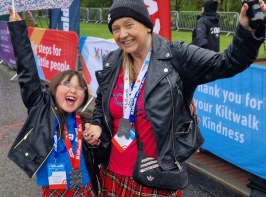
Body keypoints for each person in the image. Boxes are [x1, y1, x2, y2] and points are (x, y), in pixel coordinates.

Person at [83, 0, 266, 196]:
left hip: (157, 177)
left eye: (129, 25)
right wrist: (96, 125)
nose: (122, 34)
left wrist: (246, 32)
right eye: (116, 28)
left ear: (146, 25)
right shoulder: (113, 61)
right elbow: (103, 104)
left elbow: (227, 63)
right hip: (112, 171)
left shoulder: (177, 55)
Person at [6, 8, 106, 197]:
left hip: (86, 189)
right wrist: (19, 30)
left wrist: (94, 141)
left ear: (84, 96)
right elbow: (27, 72)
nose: (72, 90)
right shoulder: (41, 108)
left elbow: (97, 153)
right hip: (55, 191)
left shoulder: (86, 121)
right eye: (66, 84)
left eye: (79, 88)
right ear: (53, 88)